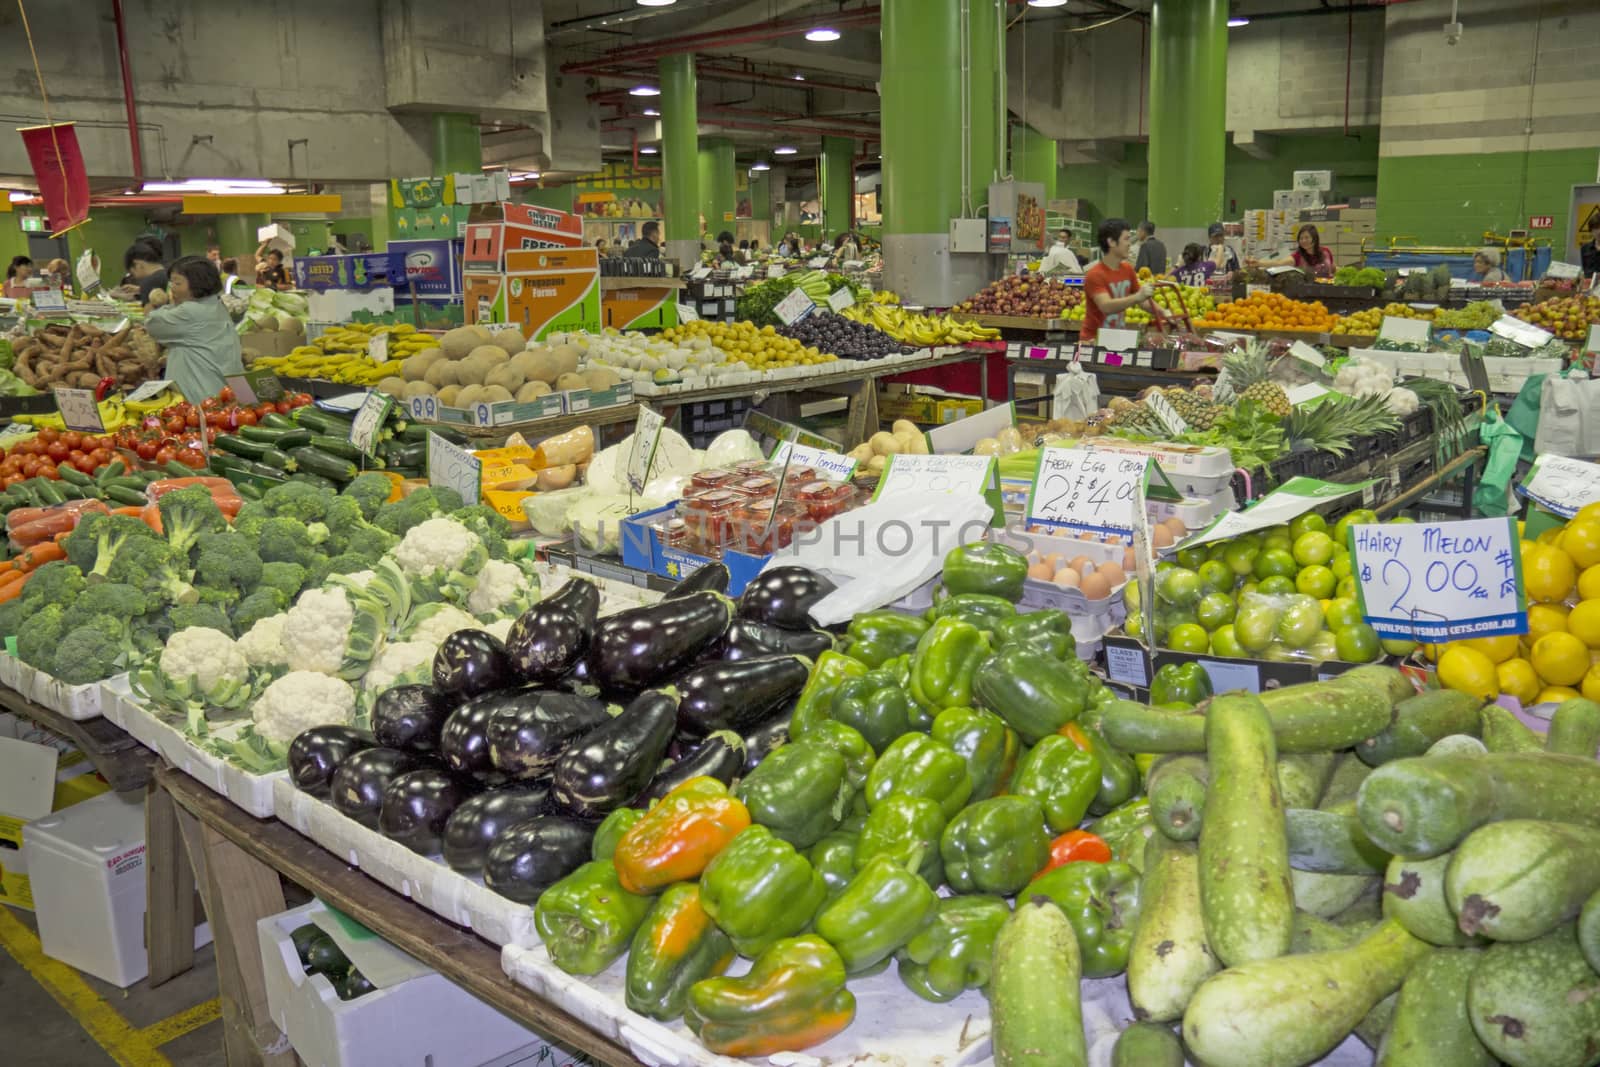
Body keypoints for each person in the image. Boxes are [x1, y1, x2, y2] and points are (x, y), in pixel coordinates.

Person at [143, 257, 245, 403]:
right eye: (171, 282)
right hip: (222, 391)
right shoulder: (216, 304)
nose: (172, 287)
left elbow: (153, 324)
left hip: (200, 398)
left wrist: (159, 305)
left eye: (177, 283)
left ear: (198, 284)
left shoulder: (189, 312)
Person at [1082, 217, 1161, 344]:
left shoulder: (1127, 269)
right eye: (1126, 239)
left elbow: (1143, 302)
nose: (1129, 243)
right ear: (1112, 242)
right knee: (1111, 363)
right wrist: (1137, 297)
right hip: (1093, 344)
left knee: (1121, 362)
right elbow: (1106, 306)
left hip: (1117, 340)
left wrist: (1164, 312)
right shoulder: (1095, 274)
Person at [1251, 224, 1336, 278]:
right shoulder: (1298, 256)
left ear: (1315, 238)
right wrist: (1259, 263)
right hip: (1308, 293)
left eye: (1306, 238)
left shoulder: (1326, 252)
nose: (1303, 241)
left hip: (1329, 289)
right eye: (1301, 238)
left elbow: (1332, 268)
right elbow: (1279, 263)